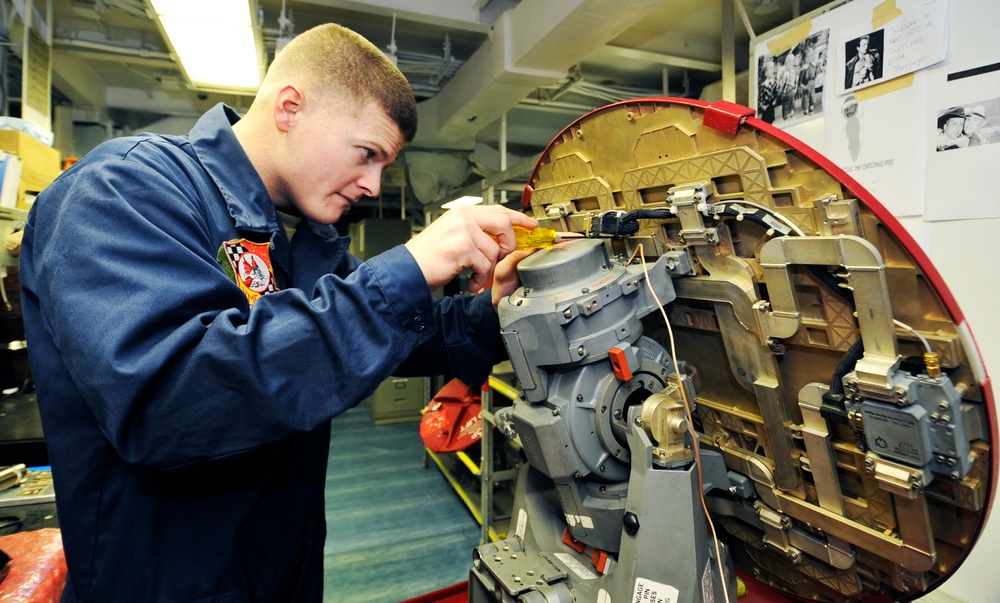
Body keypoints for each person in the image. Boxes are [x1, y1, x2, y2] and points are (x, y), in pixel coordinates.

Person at [19, 23, 537, 602]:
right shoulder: (125, 187)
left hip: (279, 567)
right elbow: (171, 397)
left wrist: (497, 310)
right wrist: (409, 267)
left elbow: (389, 334)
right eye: (367, 154)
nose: (372, 185)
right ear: (290, 107)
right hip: (170, 582)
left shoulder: (297, 238)